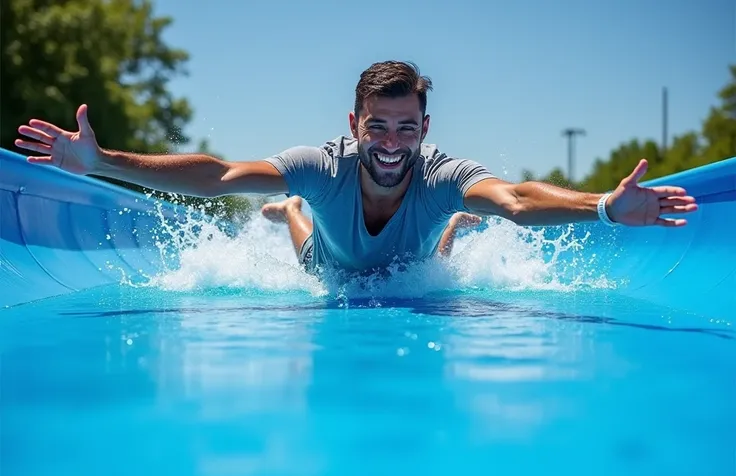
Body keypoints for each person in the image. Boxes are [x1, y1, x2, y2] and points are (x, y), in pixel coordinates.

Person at [15, 60, 698, 277]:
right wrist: (103, 162)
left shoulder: (437, 169)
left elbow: (516, 199)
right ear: (353, 125)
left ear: (425, 128)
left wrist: (605, 205)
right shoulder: (324, 165)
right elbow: (220, 175)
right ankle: (291, 213)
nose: (392, 141)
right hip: (329, 256)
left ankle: (448, 222)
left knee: (446, 230)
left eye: (407, 127)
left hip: (424, 236)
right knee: (313, 253)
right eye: (378, 126)